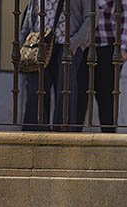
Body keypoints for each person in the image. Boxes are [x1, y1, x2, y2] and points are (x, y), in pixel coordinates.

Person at [20, 0, 92, 131]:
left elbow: (91, 18)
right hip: (39, 46)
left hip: (66, 46)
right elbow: (30, 16)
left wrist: (75, 44)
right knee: (36, 92)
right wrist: (22, 43)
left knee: (65, 95)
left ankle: (62, 137)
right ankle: (34, 136)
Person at [77, 0, 127, 133]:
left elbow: (126, 19)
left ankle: (109, 136)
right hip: (83, 48)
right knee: (78, 95)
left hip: (107, 47)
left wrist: (123, 48)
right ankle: (74, 134)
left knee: (106, 98)